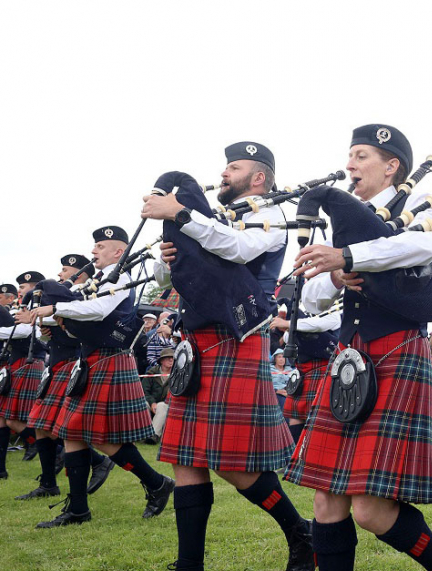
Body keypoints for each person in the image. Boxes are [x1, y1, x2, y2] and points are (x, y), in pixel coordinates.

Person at [285, 124, 432, 571]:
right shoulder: (341, 223)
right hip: (349, 358)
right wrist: (333, 274)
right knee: (327, 498)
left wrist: (350, 257)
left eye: (361, 155)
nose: (350, 164)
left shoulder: (414, 209)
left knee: (370, 510)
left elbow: (421, 248)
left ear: (392, 167)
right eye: (349, 155)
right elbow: (309, 296)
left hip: (395, 354)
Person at [143, 142, 313, 571]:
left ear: (258, 177)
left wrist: (181, 215)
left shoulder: (272, 214)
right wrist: (166, 259)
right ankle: (189, 564)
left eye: (232, 167)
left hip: (237, 338)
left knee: (234, 465)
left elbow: (237, 250)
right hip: (197, 340)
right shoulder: (215, 219)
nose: (223, 174)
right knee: (185, 457)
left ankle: (301, 532)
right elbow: (176, 274)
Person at [29, 228, 175, 528]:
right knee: (73, 433)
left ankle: (157, 482)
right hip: (91, 358)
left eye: (100, 246)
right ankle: (79, 509)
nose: (93, 251)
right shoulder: (98, 279)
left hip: (108, 357)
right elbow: (84, 320)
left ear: (118, 252)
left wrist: (58, 308)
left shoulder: (119, 277)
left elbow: (100, 309)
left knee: (101, 438)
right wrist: (61, 322)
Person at [15, 254, 115, 500]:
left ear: (80, 273)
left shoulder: (83, 295)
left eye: (66, 270)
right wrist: (46, 331)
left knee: (64, 429)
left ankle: (99, 462)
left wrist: (52, 319)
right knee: (41, 424)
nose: (61, 274)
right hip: (57, 364)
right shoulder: (67, 296)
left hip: (73, 364)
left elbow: (82, 330)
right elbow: (48, 339)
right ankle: (49, 483)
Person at [270, 300, 340, 444]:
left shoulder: (335, 310)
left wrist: (290, 324)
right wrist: (288, 327)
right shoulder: (300, 318)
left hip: (324, 371)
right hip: (302, 374)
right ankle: (296, 461)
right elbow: (286, 339)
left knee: (320, 418)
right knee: (296, 416)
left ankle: (314, 460)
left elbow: (320, 324)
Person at [0, 271, 47, 479]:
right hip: (17, 362)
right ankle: (1, 469)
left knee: (13, 419)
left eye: (23, 287)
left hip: (30, 362)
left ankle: (43, 446)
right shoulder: (24, 308)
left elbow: (27, 331)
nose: (20, 291)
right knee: (4, 418)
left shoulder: (43, 306)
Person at [141, 347, 174, 443]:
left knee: (162, 406)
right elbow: (144, 391)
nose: (171, 360)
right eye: (168, 358)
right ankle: (143, 434)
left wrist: (159, 404)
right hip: (150, 401)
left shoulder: (176, 375)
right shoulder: (151, 373)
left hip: (166, 404)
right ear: (162, 361)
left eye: (172, 358)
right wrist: (152, 403)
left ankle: (153, 435)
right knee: (143, 404)